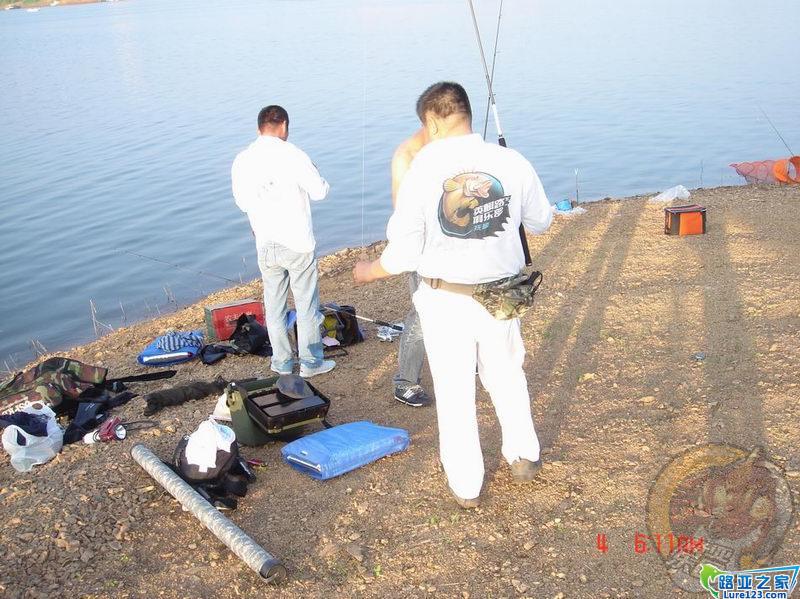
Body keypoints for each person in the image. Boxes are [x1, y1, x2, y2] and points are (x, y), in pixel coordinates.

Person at [353, 82, 553, 508]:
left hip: (445, 300)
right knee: (506, 374)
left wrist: (368, 271)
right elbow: (541, 221)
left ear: (431, 122)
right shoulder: (511, 161)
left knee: (455, 389)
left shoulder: (421, 171)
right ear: (467, 113)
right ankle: (523, 456)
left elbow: (403, 254)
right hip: (502, 296)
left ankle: (467, 485)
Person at [231, 105, 335, 379]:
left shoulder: (243, 160)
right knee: (306, 305)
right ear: (285, 126)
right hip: (297, 242)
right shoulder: (294, 154)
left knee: (274, 307)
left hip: (265, 243)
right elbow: (320, 191)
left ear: (259, 128)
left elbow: (242, 202)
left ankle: (282, 363)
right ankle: (311, 363)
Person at [390, 129, 432, 408]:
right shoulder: (408, 155)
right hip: (422, 252)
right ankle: (405, 382)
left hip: (454, 252)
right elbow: (402, 217)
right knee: (421, 316)